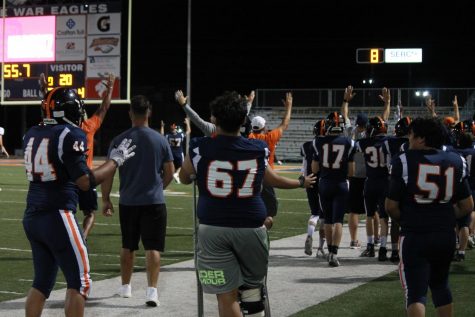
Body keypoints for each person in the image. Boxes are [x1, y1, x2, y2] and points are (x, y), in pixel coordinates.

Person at [178, 91, 315, 317]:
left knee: (225, 295)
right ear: (244, 121)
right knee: (252, 291)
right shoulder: (258, 149)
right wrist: (300, 182)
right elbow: (271, 179)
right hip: (251, 227)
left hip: (213, 229)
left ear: (213, 119)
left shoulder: (199, 147)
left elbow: (184, 177)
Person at [22, 87, 136, 317]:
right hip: (58, 215)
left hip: (33, 216)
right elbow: (86, 181)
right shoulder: (69, 134)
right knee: (81, 282)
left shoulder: (32, 133)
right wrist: (116, 161)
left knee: (42, 283)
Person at [385, 117, 473, 317]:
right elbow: (467, 205)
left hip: (415, 234)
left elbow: (391, 207)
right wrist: (445, 217)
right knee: (441, 286)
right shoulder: (455, 160)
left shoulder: (404, 160)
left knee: (415, 293)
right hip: (445, 235)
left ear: (422, 139)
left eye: (412, 134)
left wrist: (408, 220)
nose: (409, 137)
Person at [101, 95, 174, 307]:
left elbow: (109, 173)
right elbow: (170, 172)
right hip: (154, 201)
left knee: (128, 245)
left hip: (128, 201)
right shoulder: (160, 140)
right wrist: (159, 188)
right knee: (153, 248)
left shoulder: (119, 140)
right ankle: (152, 292)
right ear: (149, 113)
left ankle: (125, 287)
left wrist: (105, 199)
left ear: (131, 113)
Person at [312, 112, 355, 267]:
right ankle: (334, 254)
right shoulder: (349, 142)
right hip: (341, 184)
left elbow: (314, 169)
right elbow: (351, 172)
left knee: (328, 220)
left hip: (324, 183)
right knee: (338, 220)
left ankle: (329, 250)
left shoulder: (318, 142)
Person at [248, 92, 293, 229]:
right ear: (264, 127)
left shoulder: (247, 137)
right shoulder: (269, 138)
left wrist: (249, 103)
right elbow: (284, 124)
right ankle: (260, 232)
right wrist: (289, 107)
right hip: (267, 178)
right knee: (269, 215)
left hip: (249, 178)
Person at [79, 73, 115, 239]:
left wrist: (44, 91)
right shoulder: (88, 127)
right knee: (90, 213)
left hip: (66, 178)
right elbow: (104, 108)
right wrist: (110, 89)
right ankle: (83, 238)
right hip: (85, 177)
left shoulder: (61, 129)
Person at [340, 85, 366, 249]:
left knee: (353, 210)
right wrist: (387, 105)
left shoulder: (350, 131)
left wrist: (345, 100)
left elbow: (344, 115)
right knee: (373, 210)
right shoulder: (369, 135)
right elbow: (384, 119)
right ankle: (376, 239)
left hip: (350, 174)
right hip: (366, 173)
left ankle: (354, 239)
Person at [382, 115, 411, 262]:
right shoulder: (414, 143)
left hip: (393, 180)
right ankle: (406, 249)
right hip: (412, 182)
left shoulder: (389, 143)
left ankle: (394, 250)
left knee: (394, 218)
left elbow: (388, 163)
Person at [302, 119, 326, 257]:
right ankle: (320, 248)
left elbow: (304, 165)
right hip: (324, 180)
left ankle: (310, 234)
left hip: (309, 179)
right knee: (324, 216)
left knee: (314, 213)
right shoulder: (328, 144)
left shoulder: (307, 145)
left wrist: (304, 179)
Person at [160, 118, 191, 184]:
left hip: (171, 153)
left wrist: (162, 126)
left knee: (173, 166)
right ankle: (176, 175)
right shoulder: (180, 135)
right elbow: (188, 131)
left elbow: (162, 134)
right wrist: (187, 123)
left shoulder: (168, 136)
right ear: (176, 129)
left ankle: (175, 177)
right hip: (179, 153)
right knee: (181, 167)